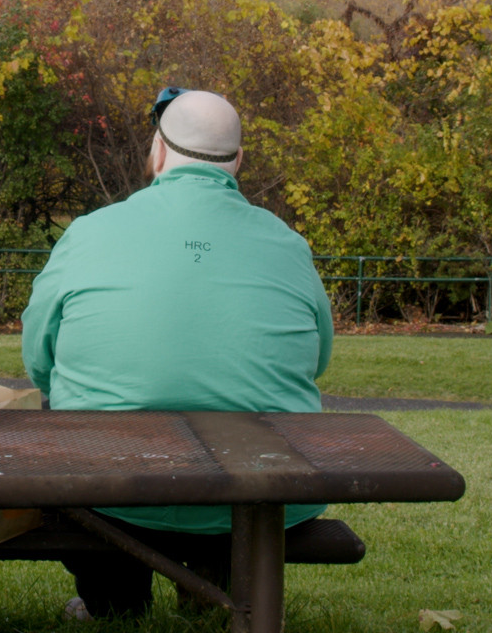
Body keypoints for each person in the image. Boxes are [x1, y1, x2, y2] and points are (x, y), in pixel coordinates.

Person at [20, 88, 334, 621]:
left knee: (62, 415)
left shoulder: (89, 232)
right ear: (238, 161)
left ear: (158, 152)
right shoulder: (287, 243)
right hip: (258, 491)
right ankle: (220, 586)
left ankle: (114, 600)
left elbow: (39, 360)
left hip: (113, 493)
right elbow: (319, 357)